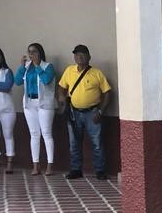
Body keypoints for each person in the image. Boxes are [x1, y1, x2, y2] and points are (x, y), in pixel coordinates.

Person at [56, 45, 112, 181]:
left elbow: (107, 92)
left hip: (92, 113)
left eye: (82, 54)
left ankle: (100, 170)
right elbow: (60, 87)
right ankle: (76, 170)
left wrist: (101, 111)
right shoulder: (69, 71)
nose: (79, 57)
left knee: (97, 142)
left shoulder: (96, 73)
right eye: (77, 54)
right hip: (74, 113)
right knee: (74, 142)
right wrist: (61, 98)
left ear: (89, 57)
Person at [15, 43, 56, 176]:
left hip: (44, 103)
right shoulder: (27, 67)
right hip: (29, 103)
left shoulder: (48, 66)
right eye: (30, 52)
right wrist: (21, 66)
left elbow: (46, 80)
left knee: (46, 133)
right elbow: (17, 81)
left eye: (34, 52)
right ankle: (36, 165)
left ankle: (50, 165)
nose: (31, 55)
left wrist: (38, 66)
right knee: (34, 134)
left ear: (40, 53)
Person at [0, 47, 16, 175]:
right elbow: (2, 87)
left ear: (2, 57)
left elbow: (7, 85)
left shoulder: (7, 71)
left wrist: (2, 87)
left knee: (8, 135)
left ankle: (9, 163)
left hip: (7, 108)